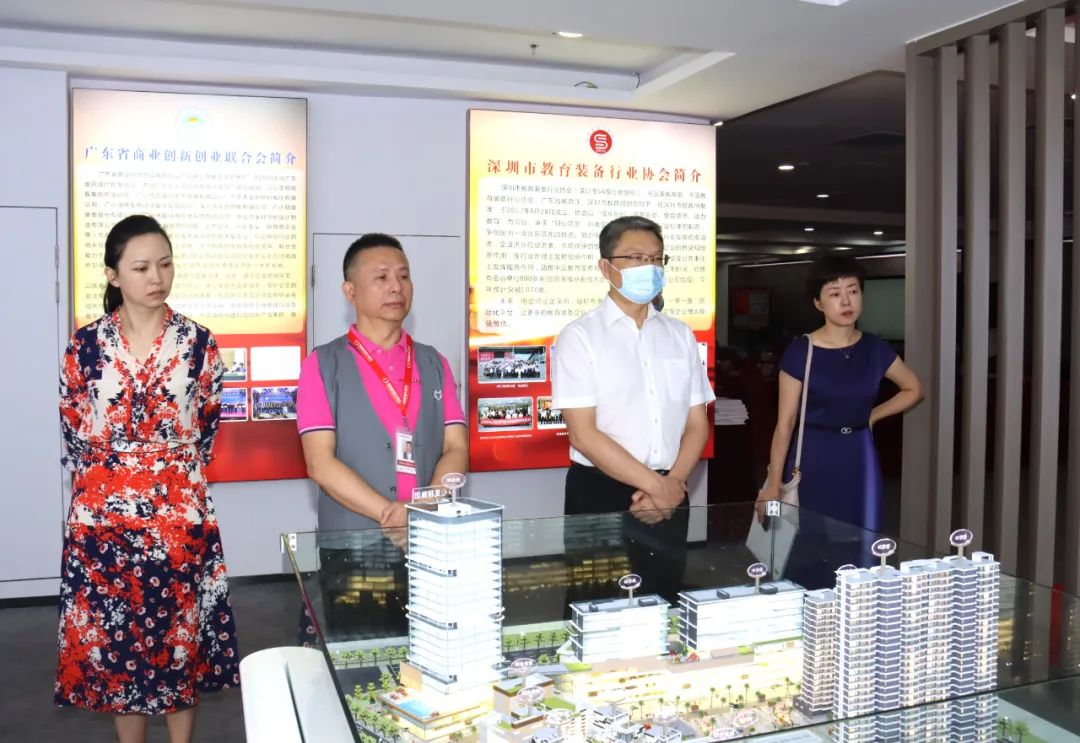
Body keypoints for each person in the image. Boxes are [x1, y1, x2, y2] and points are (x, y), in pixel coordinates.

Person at [56, 215, 239, 743]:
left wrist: (163, 472)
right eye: (141, 267)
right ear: (113, 275)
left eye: (165, 264)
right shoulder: (85, 346)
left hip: (178, 517)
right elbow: (73, 428)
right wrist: (118, 478)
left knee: (179, 641)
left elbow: (206, 427)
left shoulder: (199, 343)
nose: (157, 277)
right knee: (118, 648)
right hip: (102, 521)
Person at [552, 216, 714, 598]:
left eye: (657, 259)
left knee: (663, 596)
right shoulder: (580, 336)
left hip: (672, 487)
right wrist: (658, 488)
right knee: (596, 602)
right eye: (637, 258)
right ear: (606, 267)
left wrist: (673, 485)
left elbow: (697, 422)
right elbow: (583, 434)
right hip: (601, 491)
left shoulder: (680, 334)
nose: (650, 268)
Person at [297, 233, 467, 545]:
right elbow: (320, 463)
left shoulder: (434, 362)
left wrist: (421, 509)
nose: (396, 287)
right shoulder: (322, 364)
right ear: (350, 291)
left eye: (404, 276)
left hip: (429, 536)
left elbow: (456, 448)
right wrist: (394, 517)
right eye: (381, 277)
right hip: (351, 545)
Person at [757, 254, 923, 531]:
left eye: (853, 291)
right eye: (835, 294)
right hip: (812, 455)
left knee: (861, 535)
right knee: (810, 537)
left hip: (858, 452)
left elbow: (914, 388)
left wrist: (872, 416)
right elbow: (785, 424)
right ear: (818, 303)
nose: (846, 302)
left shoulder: (874, 348)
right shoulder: (801, 351)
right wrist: (773, 483)